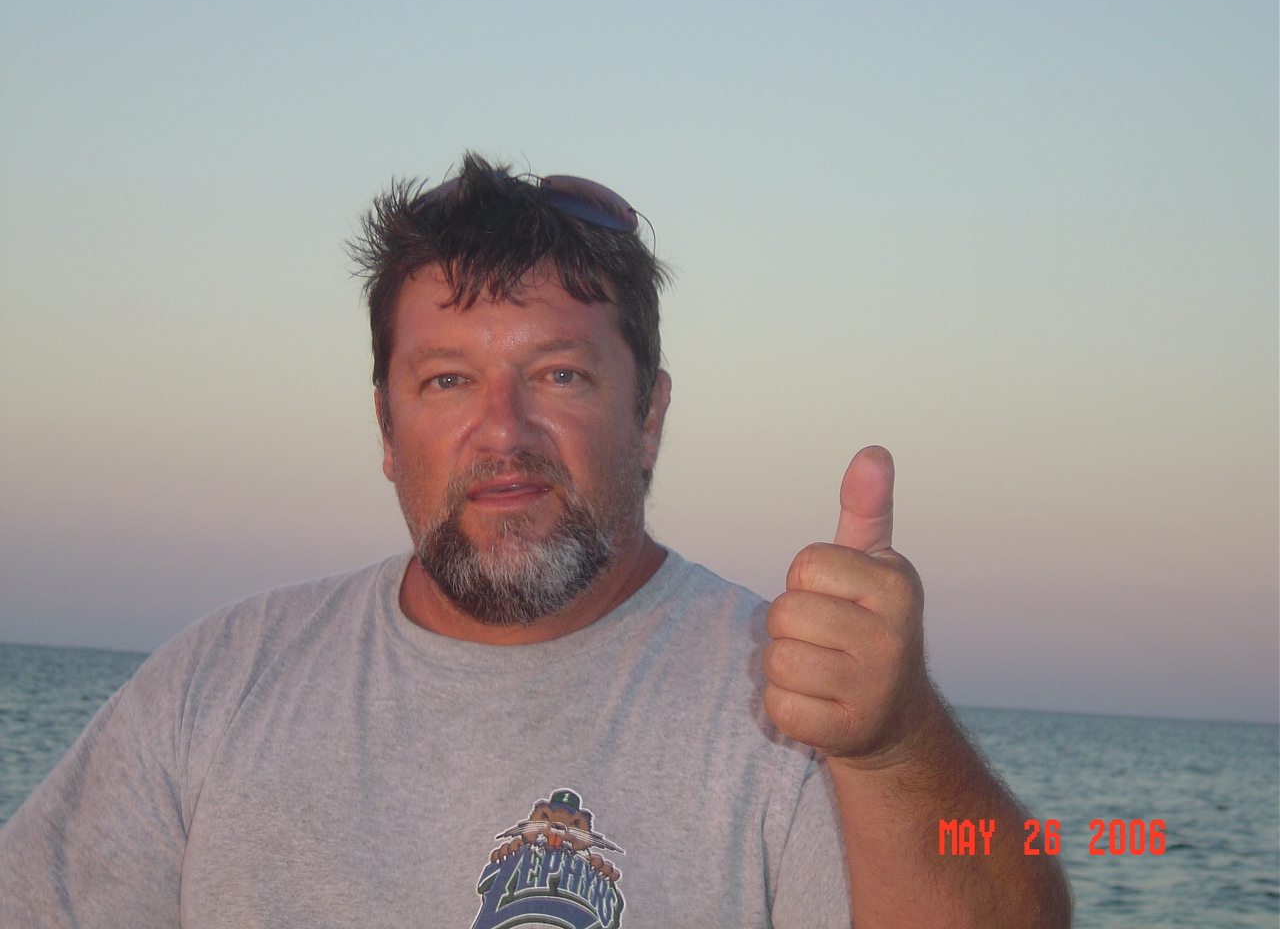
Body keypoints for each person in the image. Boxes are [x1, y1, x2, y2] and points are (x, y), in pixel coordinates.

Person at [0, 154, 1070, 928]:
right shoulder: (211, 690)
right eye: (446, 380)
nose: (501, 432)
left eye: (558, 375)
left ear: (647, 416)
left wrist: (894, 748)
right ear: (386, 432)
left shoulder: (794, 713)